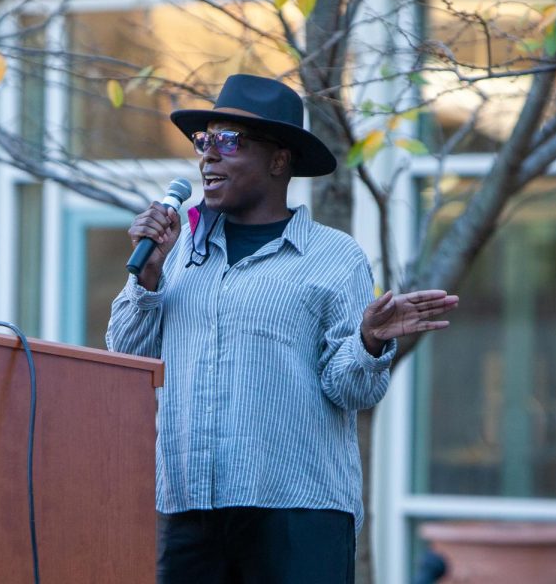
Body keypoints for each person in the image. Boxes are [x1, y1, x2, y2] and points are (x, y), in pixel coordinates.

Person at [106, 73, 458, 583]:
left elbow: (351, 389)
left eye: (229, 142)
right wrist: (151, 275)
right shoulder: (177, 250)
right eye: (205, 142)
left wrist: (369, 339)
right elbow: (127, 359)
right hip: (189, 507)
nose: (209, 155)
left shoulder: (334, 257)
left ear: (278, 160)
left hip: (297, 512)